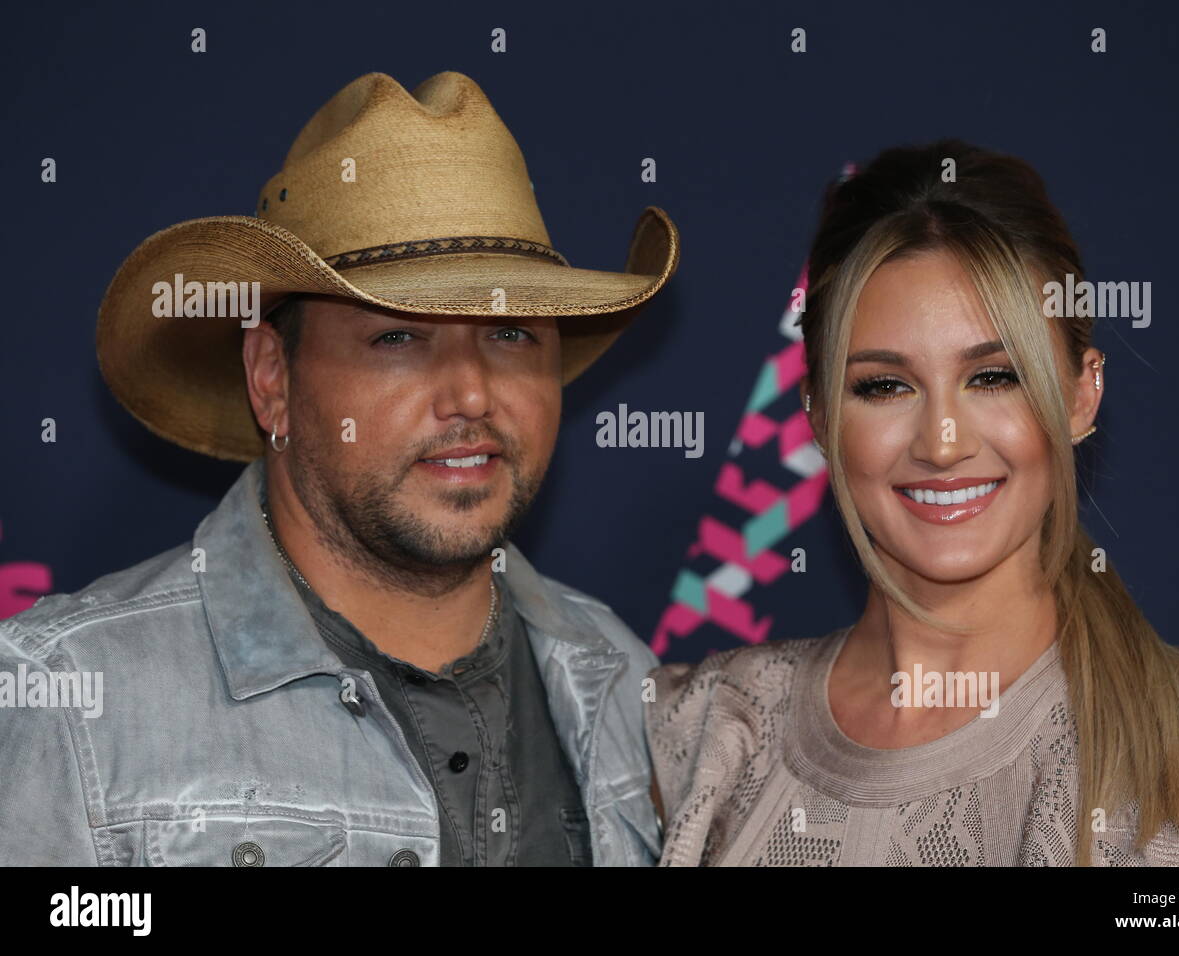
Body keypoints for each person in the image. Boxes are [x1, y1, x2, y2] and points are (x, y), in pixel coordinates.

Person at [0, 69, 679, 866]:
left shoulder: (627, 683)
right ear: (271, 378)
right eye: (398, 336)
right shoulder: (69, 698)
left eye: (511, 332)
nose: (470, 392)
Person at [644, 139, 1179, 866]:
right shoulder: (700, 734)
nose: (943, 442)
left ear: (1083, 394)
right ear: (822, 419)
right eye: (884, 386)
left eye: (993, 377)